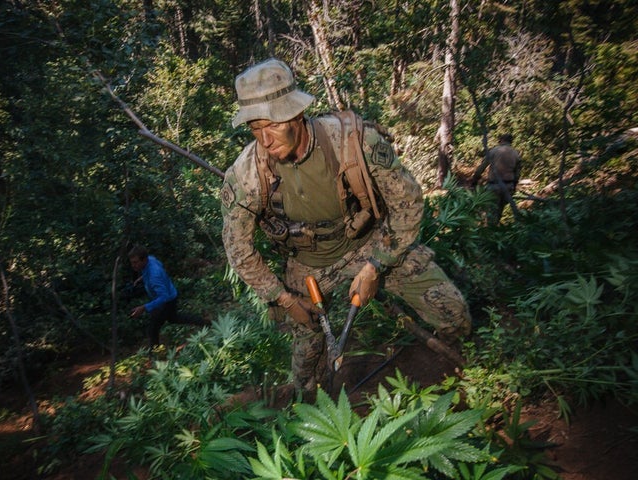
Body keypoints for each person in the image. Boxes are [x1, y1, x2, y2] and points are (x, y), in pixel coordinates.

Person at [220, 58, 471, 397]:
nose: (264, 139)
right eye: (254, 128)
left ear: (295, 115)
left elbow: (407, 203)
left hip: (371, 244)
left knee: (453, 312)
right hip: (308, 266)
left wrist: (376, 265)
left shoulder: (352, 142)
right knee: (306, 376)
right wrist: (283, 298)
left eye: (272, 125)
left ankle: (447, 366)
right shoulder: (246, 173)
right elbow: (238, 249)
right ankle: (309, 403)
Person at [128, 245, 206, 350]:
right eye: (132, 262)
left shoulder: (154, 275)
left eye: (135, 262)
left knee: (153, 328)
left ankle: (156, 353)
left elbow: (163, 297)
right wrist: (143, 277)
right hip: (170, 294)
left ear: (144, 259)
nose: (133, 265)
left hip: (167, 301)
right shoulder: (150, 260)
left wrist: (144, 307)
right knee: (174, 318)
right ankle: (205, 322)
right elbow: (160, 265)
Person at [470, 134, 522, 225]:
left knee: (491, 213)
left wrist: (474, 180)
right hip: (508, 186)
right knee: (499, 212)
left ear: (500, 140)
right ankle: (496, 230)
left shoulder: (494, 151)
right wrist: (514, 186)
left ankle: (490, 232)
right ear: (511, 141)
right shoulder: (515, 153)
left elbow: (481, 167)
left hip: (494, 186)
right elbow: (517, 173)